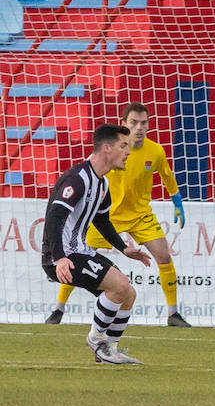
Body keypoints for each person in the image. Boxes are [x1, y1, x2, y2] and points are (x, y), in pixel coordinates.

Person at [46, 103, 189, 327]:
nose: (139, 128)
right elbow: (62, 210)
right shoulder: (100, 161)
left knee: (159, 259)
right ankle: (59, 310)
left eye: (144, 123)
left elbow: (167, 176)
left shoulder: (155, 151)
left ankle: (172, 314)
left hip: (139, 215)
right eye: (134, 123)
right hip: (105, 220)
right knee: (84, 261)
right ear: (123, 125)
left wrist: (177, 202)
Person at [41, 123, 153, 364]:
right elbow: (54, 216)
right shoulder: (78, 178)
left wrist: (124, 249)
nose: (128, 152)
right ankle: (96, 340)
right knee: (120, 285)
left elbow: (102, 220)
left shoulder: (102, 183)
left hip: (79, 251)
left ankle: (110, 350)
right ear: (106, 148)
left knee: (128, 293)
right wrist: (60, 258)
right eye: (123, 146)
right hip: (62, 256)